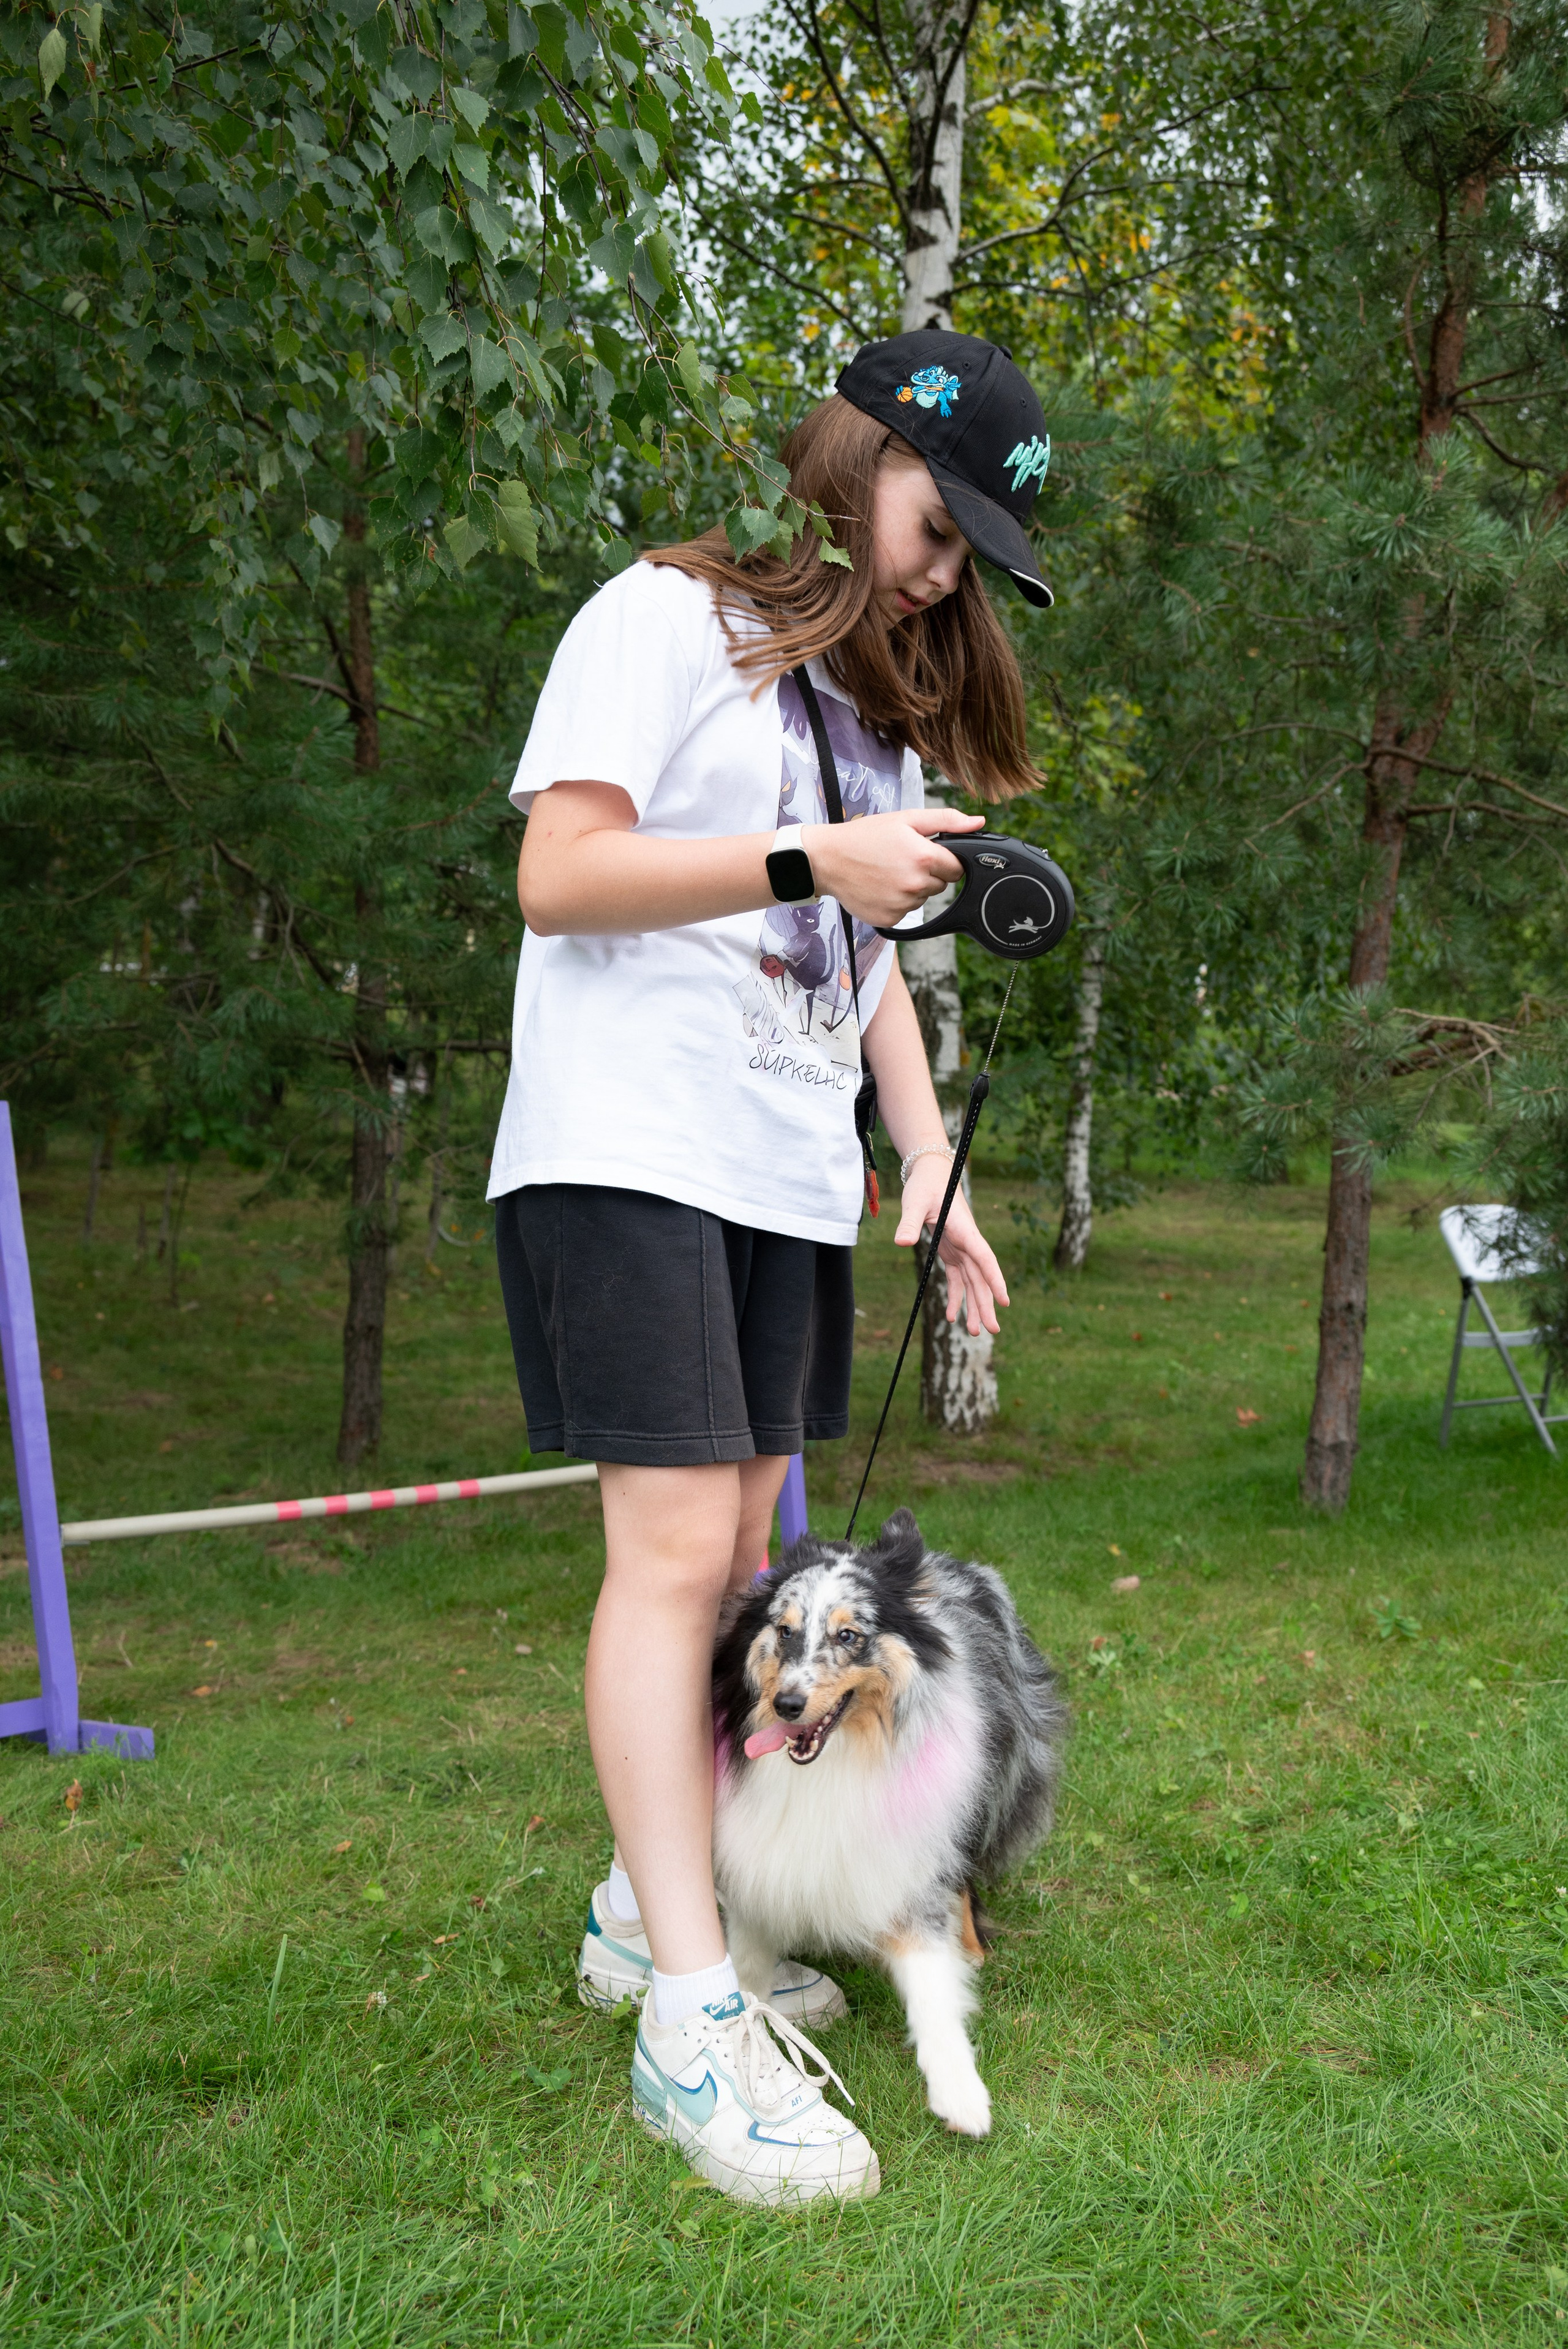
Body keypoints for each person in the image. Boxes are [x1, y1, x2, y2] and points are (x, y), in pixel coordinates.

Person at [488, 330, 1055, 2205]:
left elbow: (869, 968)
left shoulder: (868, 722)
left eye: (971, 555)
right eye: (939, 521)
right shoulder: (668, 612)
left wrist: (927, 1163)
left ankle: (632, 1903)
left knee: (740, 1574)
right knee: (668, 1563)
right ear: (861, 452)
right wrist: (813, 852)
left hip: (783, 1174)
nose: (942, 569)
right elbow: (563, 875)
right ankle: (691, 2016)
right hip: (632, 1145)